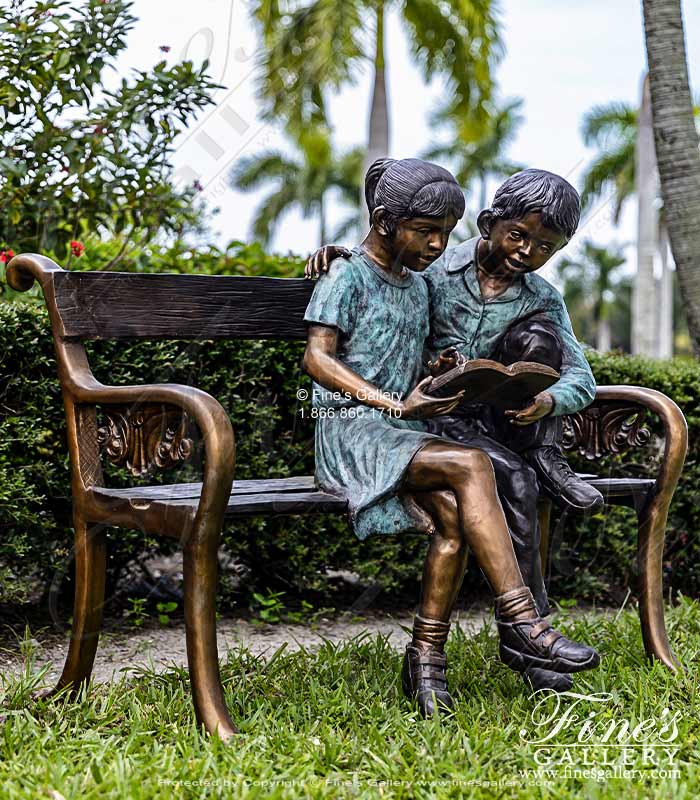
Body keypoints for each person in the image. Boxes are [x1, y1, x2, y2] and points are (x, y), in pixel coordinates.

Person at [303, 157, 600, 718]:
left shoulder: (454, 287)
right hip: (377, 428)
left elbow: (407, 340)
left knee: (464, 507)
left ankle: (426, 657)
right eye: (518, 236)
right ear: (490, 224)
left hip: (434, 424)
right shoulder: (409, 273)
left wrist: (523, 392)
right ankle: (526, 622)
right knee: (480, 470)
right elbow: (327, 344)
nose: (526, 253)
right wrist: (333, 251)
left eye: (544, 248)